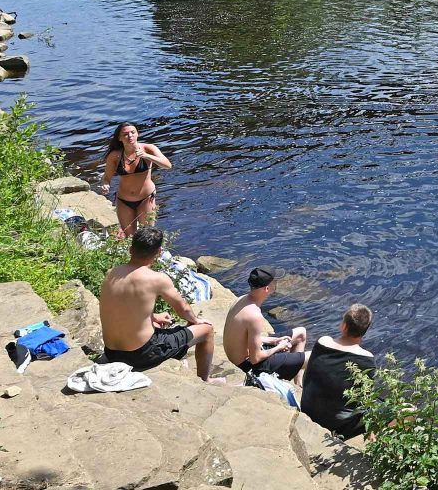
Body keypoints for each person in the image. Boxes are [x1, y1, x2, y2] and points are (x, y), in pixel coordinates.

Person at [99, 227, 222, 382]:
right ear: (159, 252)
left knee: (157, 327)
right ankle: (205, 379)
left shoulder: (112, 272)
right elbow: (183, 309)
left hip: (111, 353)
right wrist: (196, 321)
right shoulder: (157, 279)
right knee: (207, 330)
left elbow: (123, 307)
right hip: (140, 354)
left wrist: (153, 316)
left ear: (131, 249)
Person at [299, 304, 377, 438]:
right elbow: (365, 400)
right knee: (407, 410)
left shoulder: (323, 342)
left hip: (308, 411)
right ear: (364, 331)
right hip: (338, 425)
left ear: (344, 326)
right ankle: (375, 440)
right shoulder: (367, 360)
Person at [224, 268, 308, 383]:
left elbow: (241, 337)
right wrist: (279, 347)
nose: (276, 283)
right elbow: (255, 359)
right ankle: (298, 385)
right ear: (267, 289)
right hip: (249, 366)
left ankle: (298, 383)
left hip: (243, 355)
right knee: (310, 357)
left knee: (301, 333)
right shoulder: (255, 316)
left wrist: (273, 340)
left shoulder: (241, 299)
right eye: (274, 281)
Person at [104, 123, 172, 240]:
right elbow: (106, 177)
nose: (130, 136)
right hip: (124, 200)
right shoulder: (115, 156)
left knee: (148, 234)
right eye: (125, 134)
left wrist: (147, 156)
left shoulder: (148, 148)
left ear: (137, 134)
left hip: (146, 198)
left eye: (133, 132)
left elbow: (167, 165)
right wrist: (105, 184)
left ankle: (153, 256)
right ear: (119, 138)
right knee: (130, 237)